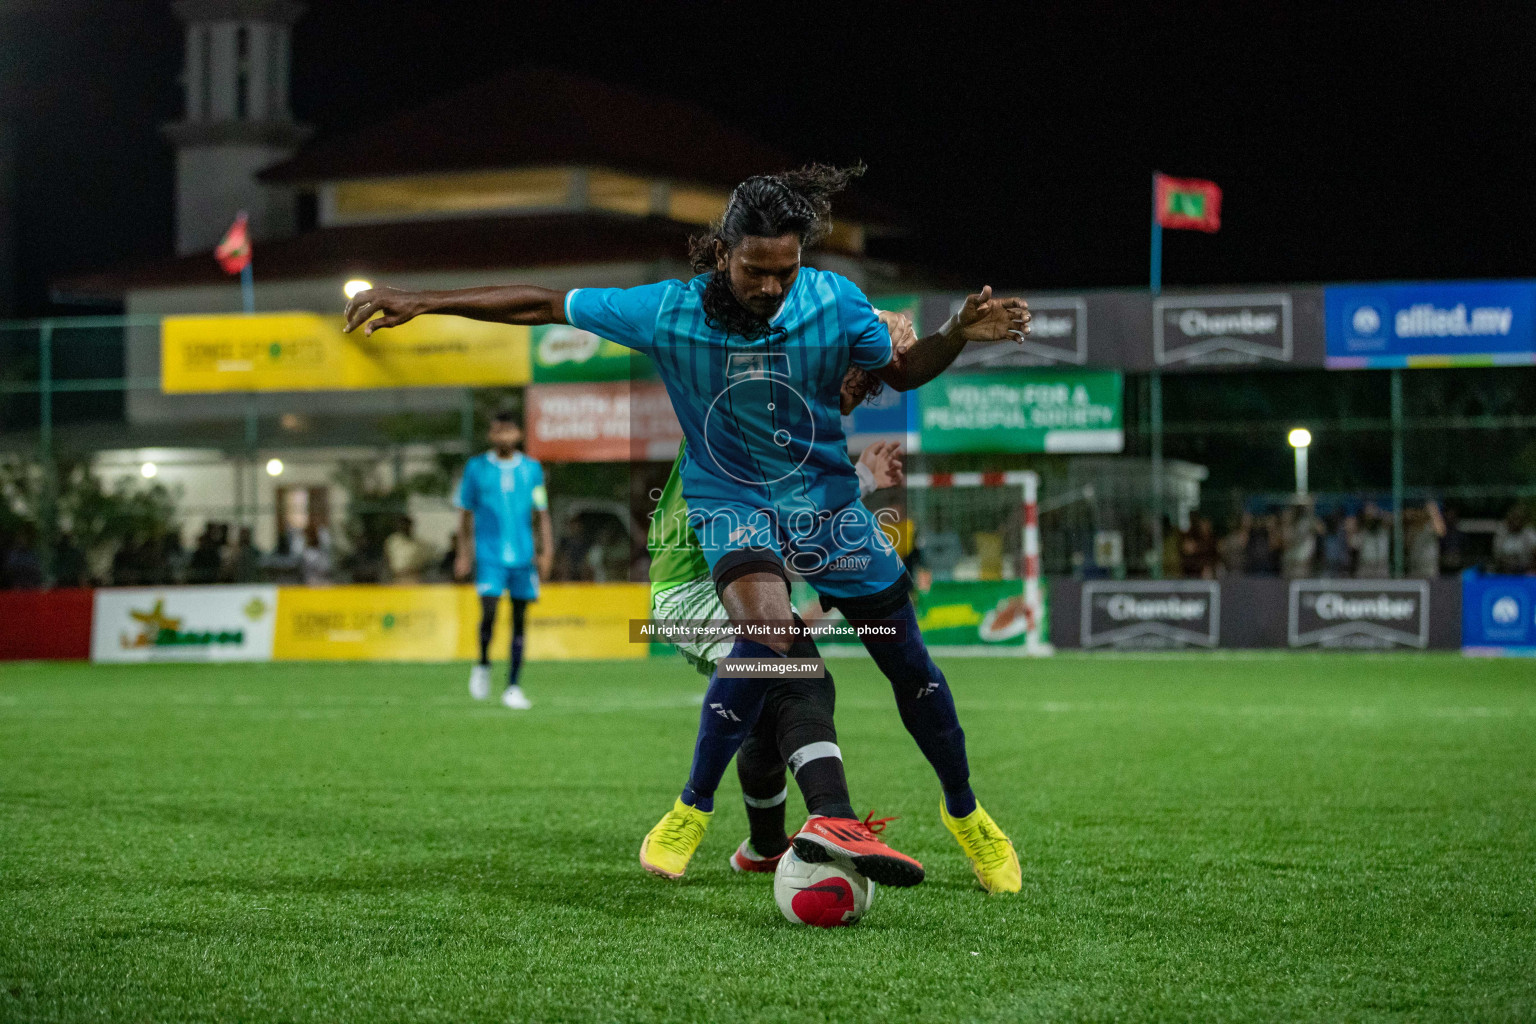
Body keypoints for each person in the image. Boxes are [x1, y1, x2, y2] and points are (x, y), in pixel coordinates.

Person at [344, 163, 1031, 893]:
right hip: (730, 502)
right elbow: (543, 304)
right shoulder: (667, 312)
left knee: (910, 665)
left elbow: (900, 370)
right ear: (724, 252)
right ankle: (692, 807)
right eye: (755, 271)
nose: (771, 288)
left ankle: (967, 815)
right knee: (772, 643)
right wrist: (423, 300)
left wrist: (956, 331)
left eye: (786, 271)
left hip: (829, 509)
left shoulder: (834, 301)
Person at [453, 410, 554, 710]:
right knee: (489, 614)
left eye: (508, 431)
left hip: (523, 557)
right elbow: (465, 513)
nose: (503, 437)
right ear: (490, 435)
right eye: (497, 432)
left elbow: (541, 511)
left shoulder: (532, 469)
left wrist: (547, 550)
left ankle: (512, 686)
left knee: (520, 621)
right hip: (489, 556)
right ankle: (483, 663)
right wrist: (463, 553)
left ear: (518, 434)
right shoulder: (477, 468)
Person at [384, 515, 433, 584]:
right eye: (402, 525)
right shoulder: (392, 541)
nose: (404, 527)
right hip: (396, 578)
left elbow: (426, 563)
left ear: (410, 526)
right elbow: (386, 559)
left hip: (414, 578)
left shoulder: (419, 544)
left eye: (406, 525)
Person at [1405, 501, 1445, 579]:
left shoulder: (1430, 526)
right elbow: (1406, 545)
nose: (1419, 513)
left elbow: (1441, 532)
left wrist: (1433, 512)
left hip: (1429, 568)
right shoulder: (1413, 527)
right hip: (1414, 567)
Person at [1492, 506, 1536, 575]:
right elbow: (1497, 554)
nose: (1516, 522)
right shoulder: (1502, 532)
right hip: (1504, 570)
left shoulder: (1529, 532)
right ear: (1508, 520)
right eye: (1514, 519)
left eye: (1519, 519)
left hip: (1525, 570)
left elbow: (1534, 552)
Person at [1352, 504, 1391, 579]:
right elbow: (1353, 544)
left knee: (1383, 587)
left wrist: (1378, 513)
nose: (1370, 518)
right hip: (1365, 566)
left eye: (1372, 515)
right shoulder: (1362, 531)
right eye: (1368, 516)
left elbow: (1390, 519)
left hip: (1381, 565)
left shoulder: (1384, 530)